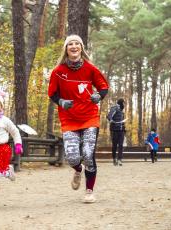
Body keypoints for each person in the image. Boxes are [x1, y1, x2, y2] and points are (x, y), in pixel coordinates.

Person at [48, 34, 109, 203]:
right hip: (69, 119)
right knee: (72, 157)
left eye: (77, 44)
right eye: (70, 44)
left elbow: (103, 86)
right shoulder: (58, 72)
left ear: (81, 48)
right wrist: (61, 101)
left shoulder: (90, 68)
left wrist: (98, 95)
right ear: (66, 49)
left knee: (88, 154)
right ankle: (78, 169)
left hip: (89, 117)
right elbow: (52, 93)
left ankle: (89, 191)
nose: (74, 46)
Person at [107, 98, 126, 166]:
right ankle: (114, 158)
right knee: (114, 145)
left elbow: (122, 120)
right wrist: (110, 120)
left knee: (121, 145)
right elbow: (109, 115)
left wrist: (124, 127)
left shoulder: (122, 111)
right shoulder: (114, 108)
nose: (124, 104)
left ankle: (120, 160)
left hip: (121, 130)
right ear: (121, 102)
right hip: (114, 130)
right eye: (123, 103)